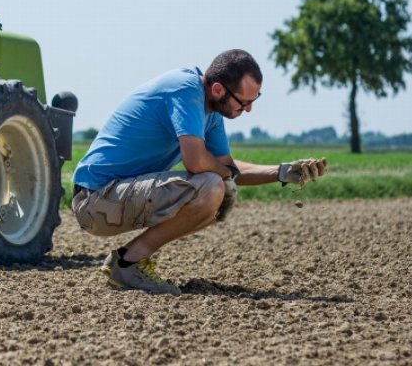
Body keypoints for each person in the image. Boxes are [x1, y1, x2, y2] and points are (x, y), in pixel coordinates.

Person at [71, 49, 327, 294]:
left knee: (222, 188)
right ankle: (128, 265)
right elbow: (196, 162)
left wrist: (281, 172)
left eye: (253, 101)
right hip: (95, 201)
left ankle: (127, 261)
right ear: (218, 90)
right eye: (244, 102)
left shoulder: (211, 110)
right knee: (212, 187)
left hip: (117, 195)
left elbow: (228, 167)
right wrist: (224, 173)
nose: (248, 109)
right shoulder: (185, 90)